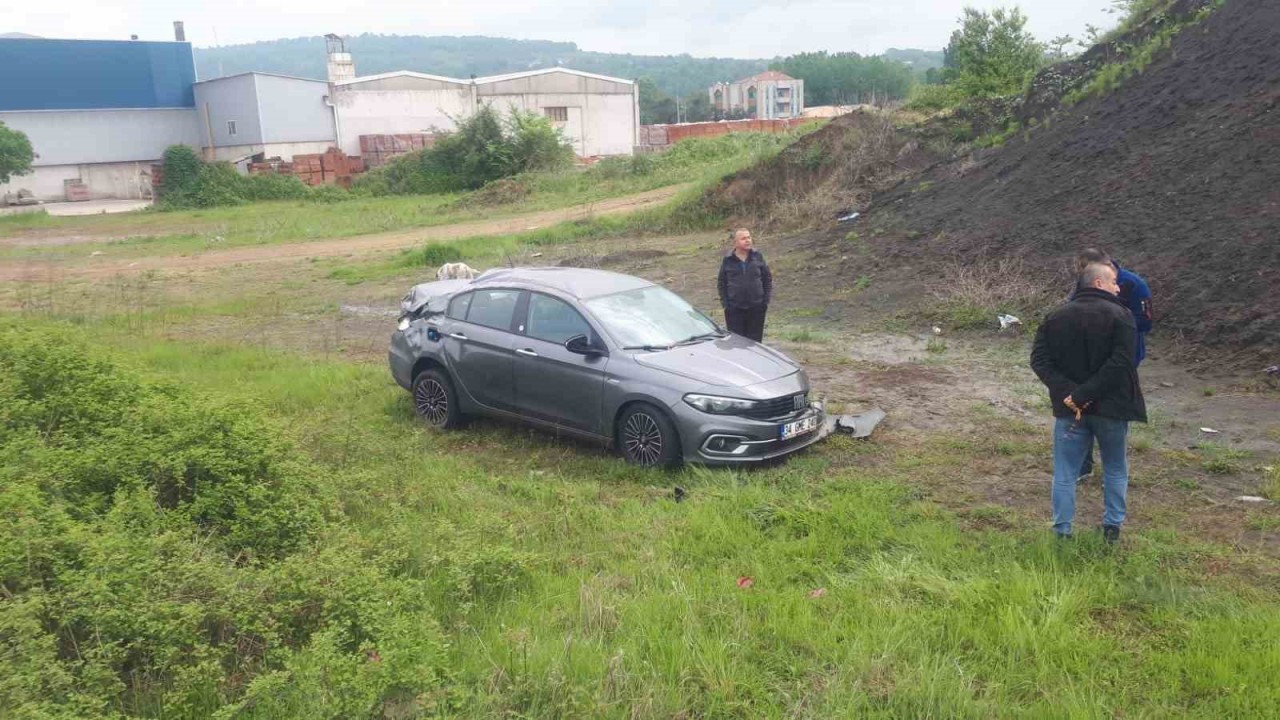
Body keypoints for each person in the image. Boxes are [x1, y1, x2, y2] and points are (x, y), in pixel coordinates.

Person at [1032, 262, 1147, 543]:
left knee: (1065, 472)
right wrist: (1084, 394)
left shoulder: (1055, 316)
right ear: (1098, 283)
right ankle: (1112, 529)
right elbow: (1122, 363)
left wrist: (1071, 394)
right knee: (1116, 467)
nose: (1118, 287)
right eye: (1113, 282)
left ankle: (1062, 533)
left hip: (1070, 409)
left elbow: (1039, 361)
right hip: (1112, 409)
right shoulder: (1122, 316)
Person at [1071, 248, 1153, 481]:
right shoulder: (1085, 283)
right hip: (1086, 357)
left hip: (1122, 358)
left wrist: (1113, 324)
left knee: (1113, 412)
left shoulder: (1135, 285)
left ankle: (1114, 467)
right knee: (1083, 406)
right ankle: (1083, 465)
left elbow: (1146, 322)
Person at [717, 228, 772, 342]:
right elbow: (722, 283)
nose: (747, 240)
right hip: (734, 309)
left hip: (756, 308)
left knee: (755, 343)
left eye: (749, 237)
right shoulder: (728, 260)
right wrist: (726, 305)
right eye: (743, 238)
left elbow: (767, 279)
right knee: (737, 343)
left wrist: (765, 302)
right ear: (736, 242)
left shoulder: (757, 256)